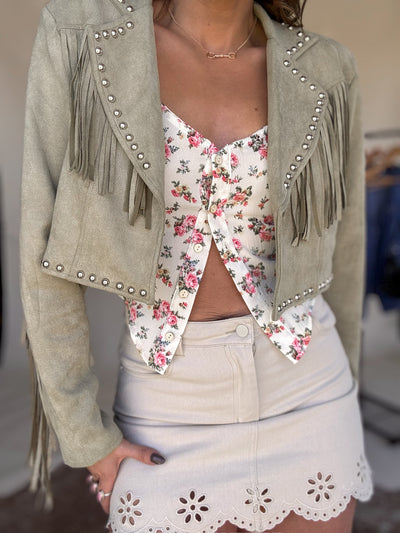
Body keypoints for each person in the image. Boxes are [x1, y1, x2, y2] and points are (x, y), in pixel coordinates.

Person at [20, 0, 373, 531]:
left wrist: (348, 398)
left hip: (311, 391)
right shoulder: (82, 35)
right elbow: (42, 249)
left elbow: (346, 245)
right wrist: (85, 435)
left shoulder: (327, 67)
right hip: (169, 402)